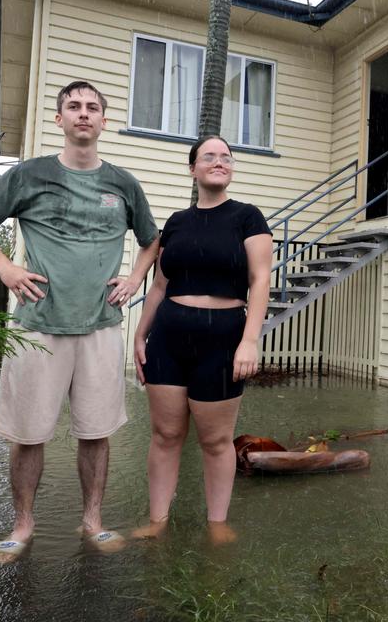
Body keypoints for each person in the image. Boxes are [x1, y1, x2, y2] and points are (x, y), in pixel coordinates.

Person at [0, 80, 159, 562]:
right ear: (60, 119)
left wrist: (134, 278)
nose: (84, 114)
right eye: (74, 106)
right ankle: (22, 525)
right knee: (28, 434)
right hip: (37, 325)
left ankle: (92, 520)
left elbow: (152, 240)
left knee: (96, 431)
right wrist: (5, 267)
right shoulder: (29, 176)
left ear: (104, 120)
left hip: (100, 326)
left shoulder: (124, 183)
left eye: (93, 107)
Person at [132, 134, 272, 545]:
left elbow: (260, 280)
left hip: (224, 338)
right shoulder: (175, 222)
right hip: (168, 338)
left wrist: (250, 341)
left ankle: (217, 523)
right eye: (208, 156)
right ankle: (157, 520)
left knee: (215, 440)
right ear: (192, 168)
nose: (219, 161)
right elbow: (159, 285)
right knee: (165, 435)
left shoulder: (248, 217)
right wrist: (141, 335)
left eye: (226, 157)